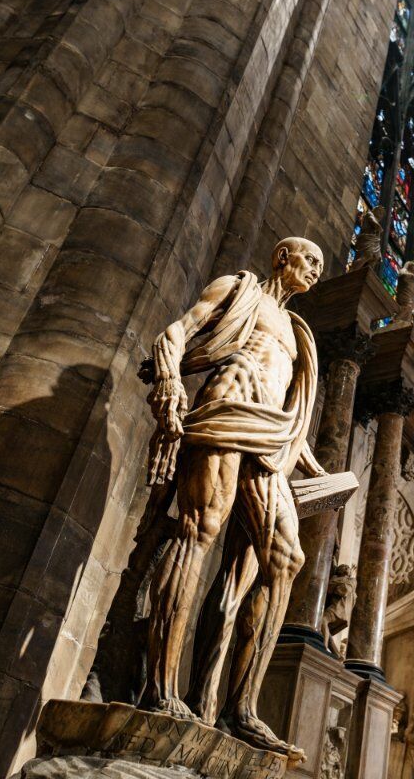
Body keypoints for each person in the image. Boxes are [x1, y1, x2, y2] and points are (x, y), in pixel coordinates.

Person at [141, 237, 328, 759]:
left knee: (287, 559)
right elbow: (175, 333)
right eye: (307, 259)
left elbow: (285, 393)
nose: (313, 269)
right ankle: (160, 690)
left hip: (269, 435)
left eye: (320, 265)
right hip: (227, 402)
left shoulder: (298, 333)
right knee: (198, 529)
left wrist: (311, 463)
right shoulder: (239, 288)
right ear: (280, 257)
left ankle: (238, 708)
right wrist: (170, 383)